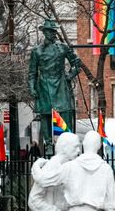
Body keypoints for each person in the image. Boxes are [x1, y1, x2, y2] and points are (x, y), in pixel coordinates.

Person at [28, 19, 81, 155]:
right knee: (45, 114)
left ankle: (67, 140)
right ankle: (49, 144)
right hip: (44, 85)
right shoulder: (37, 51)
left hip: (61, 83)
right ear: (45, 32)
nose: (53, 33)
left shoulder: (63, 47)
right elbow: (32, 72)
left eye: (54, 31)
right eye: (51, 31)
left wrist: (70, 76)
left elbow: (76, 63)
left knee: (65, 111)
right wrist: (32, 87)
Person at [60, 130, 115, 211]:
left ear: (83, 143)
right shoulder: (106, 169)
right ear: (99, 146)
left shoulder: (68, 167)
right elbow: (111, 203)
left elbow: (58, 196)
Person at [28, 132, 81, 211]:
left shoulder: (69, 166)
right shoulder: (51, 166)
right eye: (75, 147)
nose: (79, 150)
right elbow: (33, 200)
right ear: (65, 148)